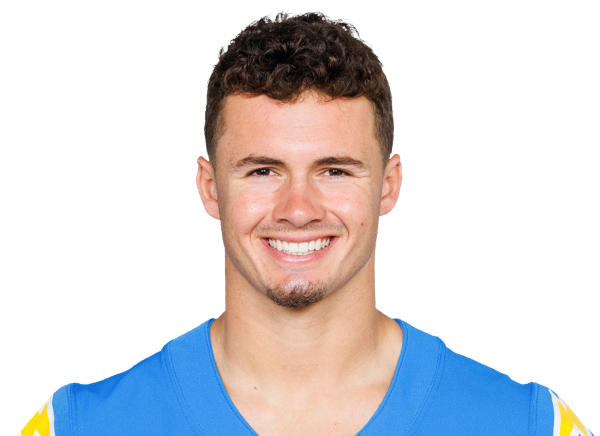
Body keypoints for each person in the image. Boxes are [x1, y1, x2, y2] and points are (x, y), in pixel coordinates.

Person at [19, 11, 593, 436]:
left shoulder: (530, 424)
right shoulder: (77, 426)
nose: (298, 209)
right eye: (263, 170)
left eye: (334, 170)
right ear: (210, 187)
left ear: (389, 185)